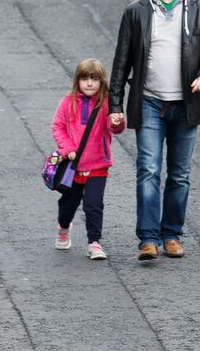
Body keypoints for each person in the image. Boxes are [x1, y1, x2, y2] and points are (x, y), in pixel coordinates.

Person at [109, 0, 200, 261]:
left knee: (179, 173)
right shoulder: (136, 11)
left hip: (185, 102)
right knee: (147, 169)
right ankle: (148, 238)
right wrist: (115, 106)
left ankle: (171, 234)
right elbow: (121, 62)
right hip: (148, 101)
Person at [51, 58, 124, 261]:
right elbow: (57, 127)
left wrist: (116, 122)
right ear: (77, 81)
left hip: (98, 164)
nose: (89, 83)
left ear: (102, 81)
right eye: (85, 79)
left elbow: (114, 128)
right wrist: (67, 148)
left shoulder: (106, 103)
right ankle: (63, 226)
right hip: (74, 166)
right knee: (69, 204)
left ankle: (94, 242)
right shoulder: (68, 102)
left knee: (94, 204)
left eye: (94, 79)